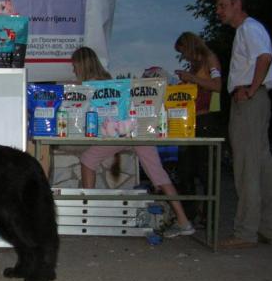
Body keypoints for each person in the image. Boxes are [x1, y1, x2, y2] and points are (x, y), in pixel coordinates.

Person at [72, 47, 194, 238]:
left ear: (81, 65)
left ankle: (88, 211)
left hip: (119, 132)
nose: (73, 70)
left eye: (74, 66)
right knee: (158, 174)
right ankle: (183, 220)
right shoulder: (109, 79)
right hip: (139, 129)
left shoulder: (90, 87)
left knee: (88, 159)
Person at [215, 0, 272, 248]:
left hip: (250, 100)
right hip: (255, 99)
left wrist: (250, 89)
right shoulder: (248, 30)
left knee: (246, 167)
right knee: (261, 166)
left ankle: (245, 232)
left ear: (237, 4)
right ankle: (267, 227)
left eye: (222, 5)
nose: (219, 11)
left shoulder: (249, 29)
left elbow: (265, 57)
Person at [173, 32, 223, 220]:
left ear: (190, 46)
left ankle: (210, 216)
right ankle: (189, 215)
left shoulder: (210, 59)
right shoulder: (194, 66)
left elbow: (217, 86)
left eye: (183, 51)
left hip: (206, 120)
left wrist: (192, 79)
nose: (183, 56)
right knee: (184, 169)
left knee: (206, 171)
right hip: (189, 122)